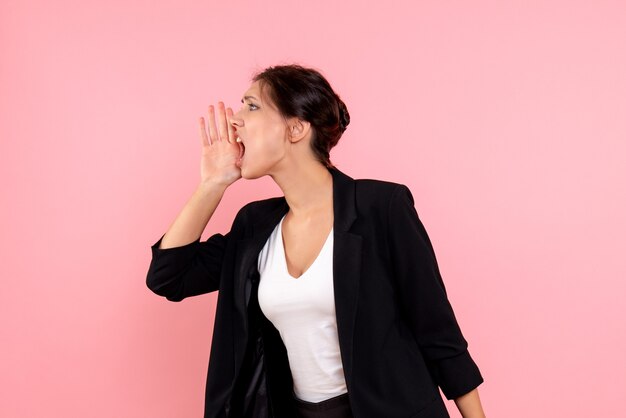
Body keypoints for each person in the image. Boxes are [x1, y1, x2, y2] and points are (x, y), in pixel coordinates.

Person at [146, 64, 486, 418]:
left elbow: (437, 331)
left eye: (252, 106)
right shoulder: (255, 226)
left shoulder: (380, 207)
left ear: (295, 128)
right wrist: (211, 184)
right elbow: (169, 276)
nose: (235, 120)